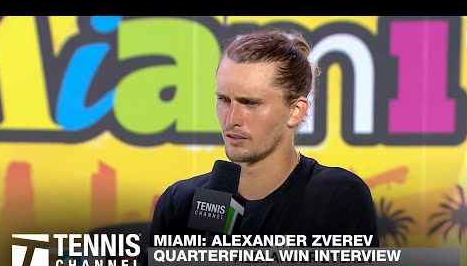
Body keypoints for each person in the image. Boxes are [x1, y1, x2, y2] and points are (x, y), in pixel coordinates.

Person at [150, 29, 379, 246]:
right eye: (224, 100)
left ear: (295, 110)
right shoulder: (179, 203)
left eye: (251, 103)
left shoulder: (337, 197)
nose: (231, 119)